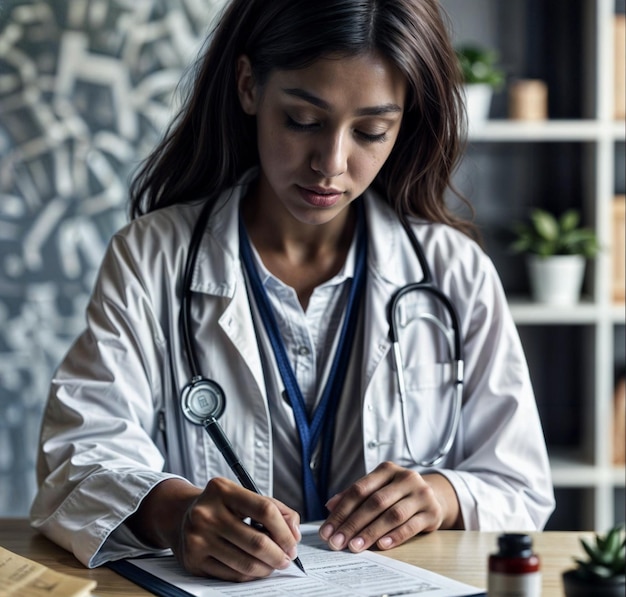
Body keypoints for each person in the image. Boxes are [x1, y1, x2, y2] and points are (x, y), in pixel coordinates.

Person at [30, 0, 555, 583]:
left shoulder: (454, 272)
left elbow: (520, 484)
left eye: (372, 131)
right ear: (250, 86)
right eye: (303, 121)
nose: (330, 163)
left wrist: (443, 495)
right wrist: (175, 512)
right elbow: (76, 462)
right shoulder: (151, 257)